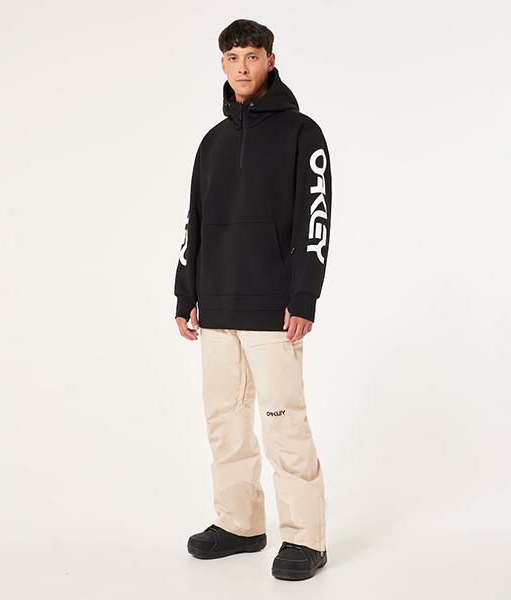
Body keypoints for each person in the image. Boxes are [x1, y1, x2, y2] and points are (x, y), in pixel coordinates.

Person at [173, 18, 332, 581]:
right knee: (225, 422)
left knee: (283, 421)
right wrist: (185, 292)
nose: (242, 66)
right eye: (232, 56)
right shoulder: (212, 143)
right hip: (216, 305)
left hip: (272, 309)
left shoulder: (302, 133)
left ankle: (305, 537)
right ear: (222, 64)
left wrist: (304, 295)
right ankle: (240, 524)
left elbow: (315, 217)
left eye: (252, 55)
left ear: (270, 60)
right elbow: (195, 220)